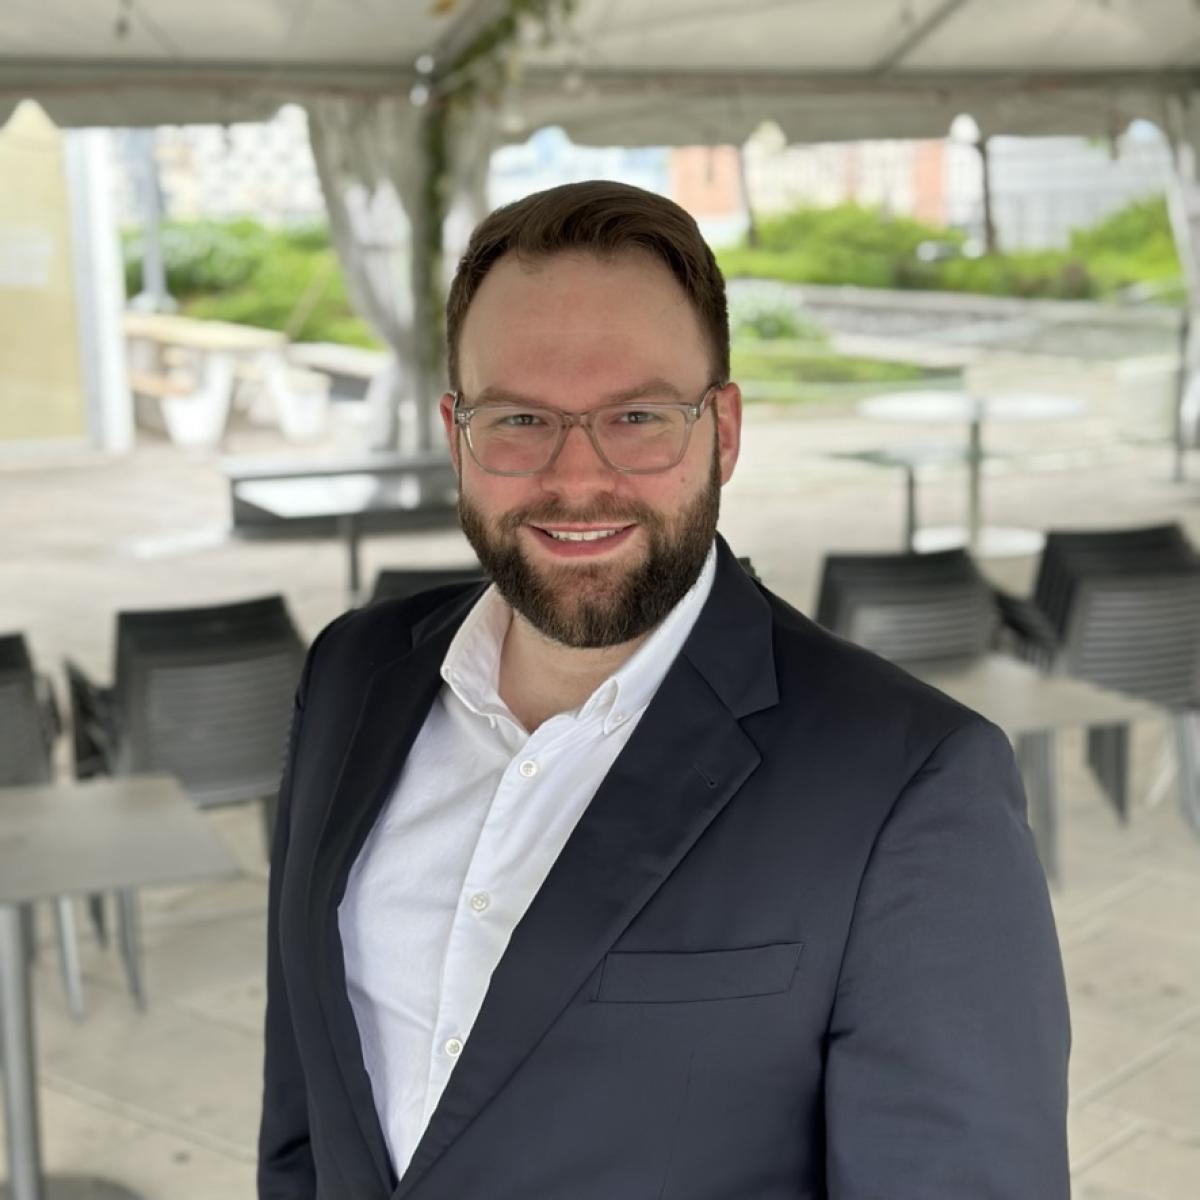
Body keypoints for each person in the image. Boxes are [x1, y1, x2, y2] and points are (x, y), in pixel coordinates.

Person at [258, 180, 1070, 1200]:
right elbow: (304, 1105)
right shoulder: (349, 673)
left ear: (723, 430)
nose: (576, 478)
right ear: (457, 431)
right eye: (519, 418)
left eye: (638, 416)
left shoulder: (914, 783)